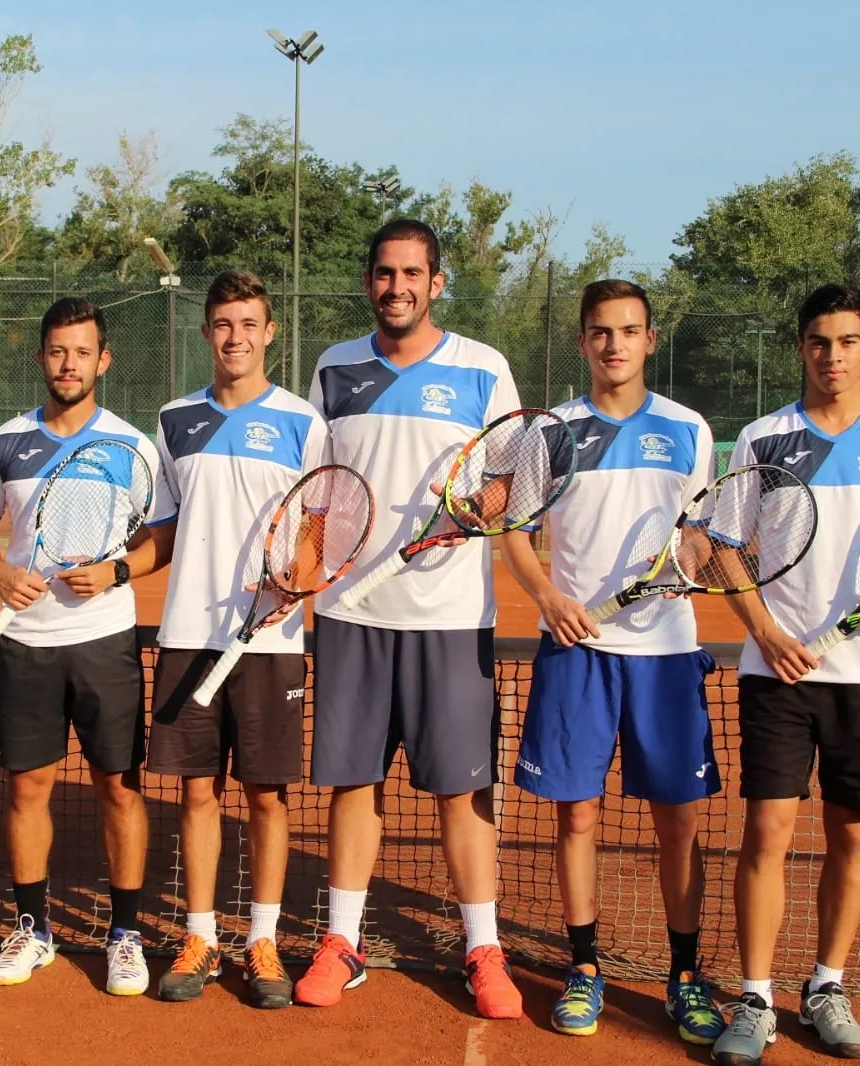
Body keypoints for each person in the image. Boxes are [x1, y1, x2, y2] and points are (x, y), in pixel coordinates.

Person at [295, 219, 524, 1019]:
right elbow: (319, 490)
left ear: (435, 282)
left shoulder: (482, 369)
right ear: (369, 282)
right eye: (384, 274)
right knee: (353, 782)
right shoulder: (334, 368)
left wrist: (476, 505)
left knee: (462, 791)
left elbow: (509, 483)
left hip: (451, 616)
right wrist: (303, 569)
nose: (397, 287)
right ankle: (342, 942)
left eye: (412, 274)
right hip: (352, 614)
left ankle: (483, 948)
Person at [711, 284, 860, 1065]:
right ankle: (753, 999)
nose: (831, 356)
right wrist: (766, 634)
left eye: (846, 341)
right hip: (775, 673)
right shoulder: (761, 438)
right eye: (817, 342)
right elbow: (723, 546)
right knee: (766, 832)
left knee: (852, 834)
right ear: (800, 347)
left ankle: (827, 985)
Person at [499, 279, 726, 1043]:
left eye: (628, 331)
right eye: (600, 332)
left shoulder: (688, 428)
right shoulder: (551, 431)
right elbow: (516, 535)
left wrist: (687, 555)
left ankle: (685, 975)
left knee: (679, 824)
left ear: (650, 340)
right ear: (582, 343)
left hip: (665, 652)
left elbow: (703, 532)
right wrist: (548, 598)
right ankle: (585, 966)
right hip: (576, 648)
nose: (614, 344)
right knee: (577, 817)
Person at [121, 270, 327, 1008]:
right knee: (197, 794)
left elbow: (319, 523)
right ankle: (201, 935)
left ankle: (262, 939)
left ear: (269, 332)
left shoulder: (304, 421)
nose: (235, 337)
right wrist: (116, 569)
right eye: (222, 324)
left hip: (271, 645)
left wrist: (294, 581)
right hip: (189, 635)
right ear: (206, 332)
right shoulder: (175, 419)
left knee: (266, 797)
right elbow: (166, 530)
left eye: (249, 324)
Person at [0, 297, 156, 996]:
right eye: (56, 351)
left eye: (82, 352)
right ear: (40, 357)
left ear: (102, 360)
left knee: (119, 788)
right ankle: (31, 927)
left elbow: (157, 533)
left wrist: (118, 570)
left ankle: (125, 933)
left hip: (104, 641)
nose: (68, 363)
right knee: (27, 789)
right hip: (26, 646)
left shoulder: (134, 444)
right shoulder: (3, 443)